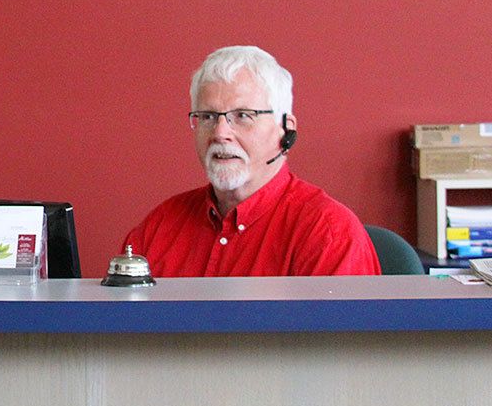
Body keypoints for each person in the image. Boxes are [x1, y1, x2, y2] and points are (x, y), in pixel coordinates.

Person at [122, 45, 379, 277]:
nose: (220, 133)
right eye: (208, 117)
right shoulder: (159, 227)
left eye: (243, 115)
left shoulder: (329, 235)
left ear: (285, 128)